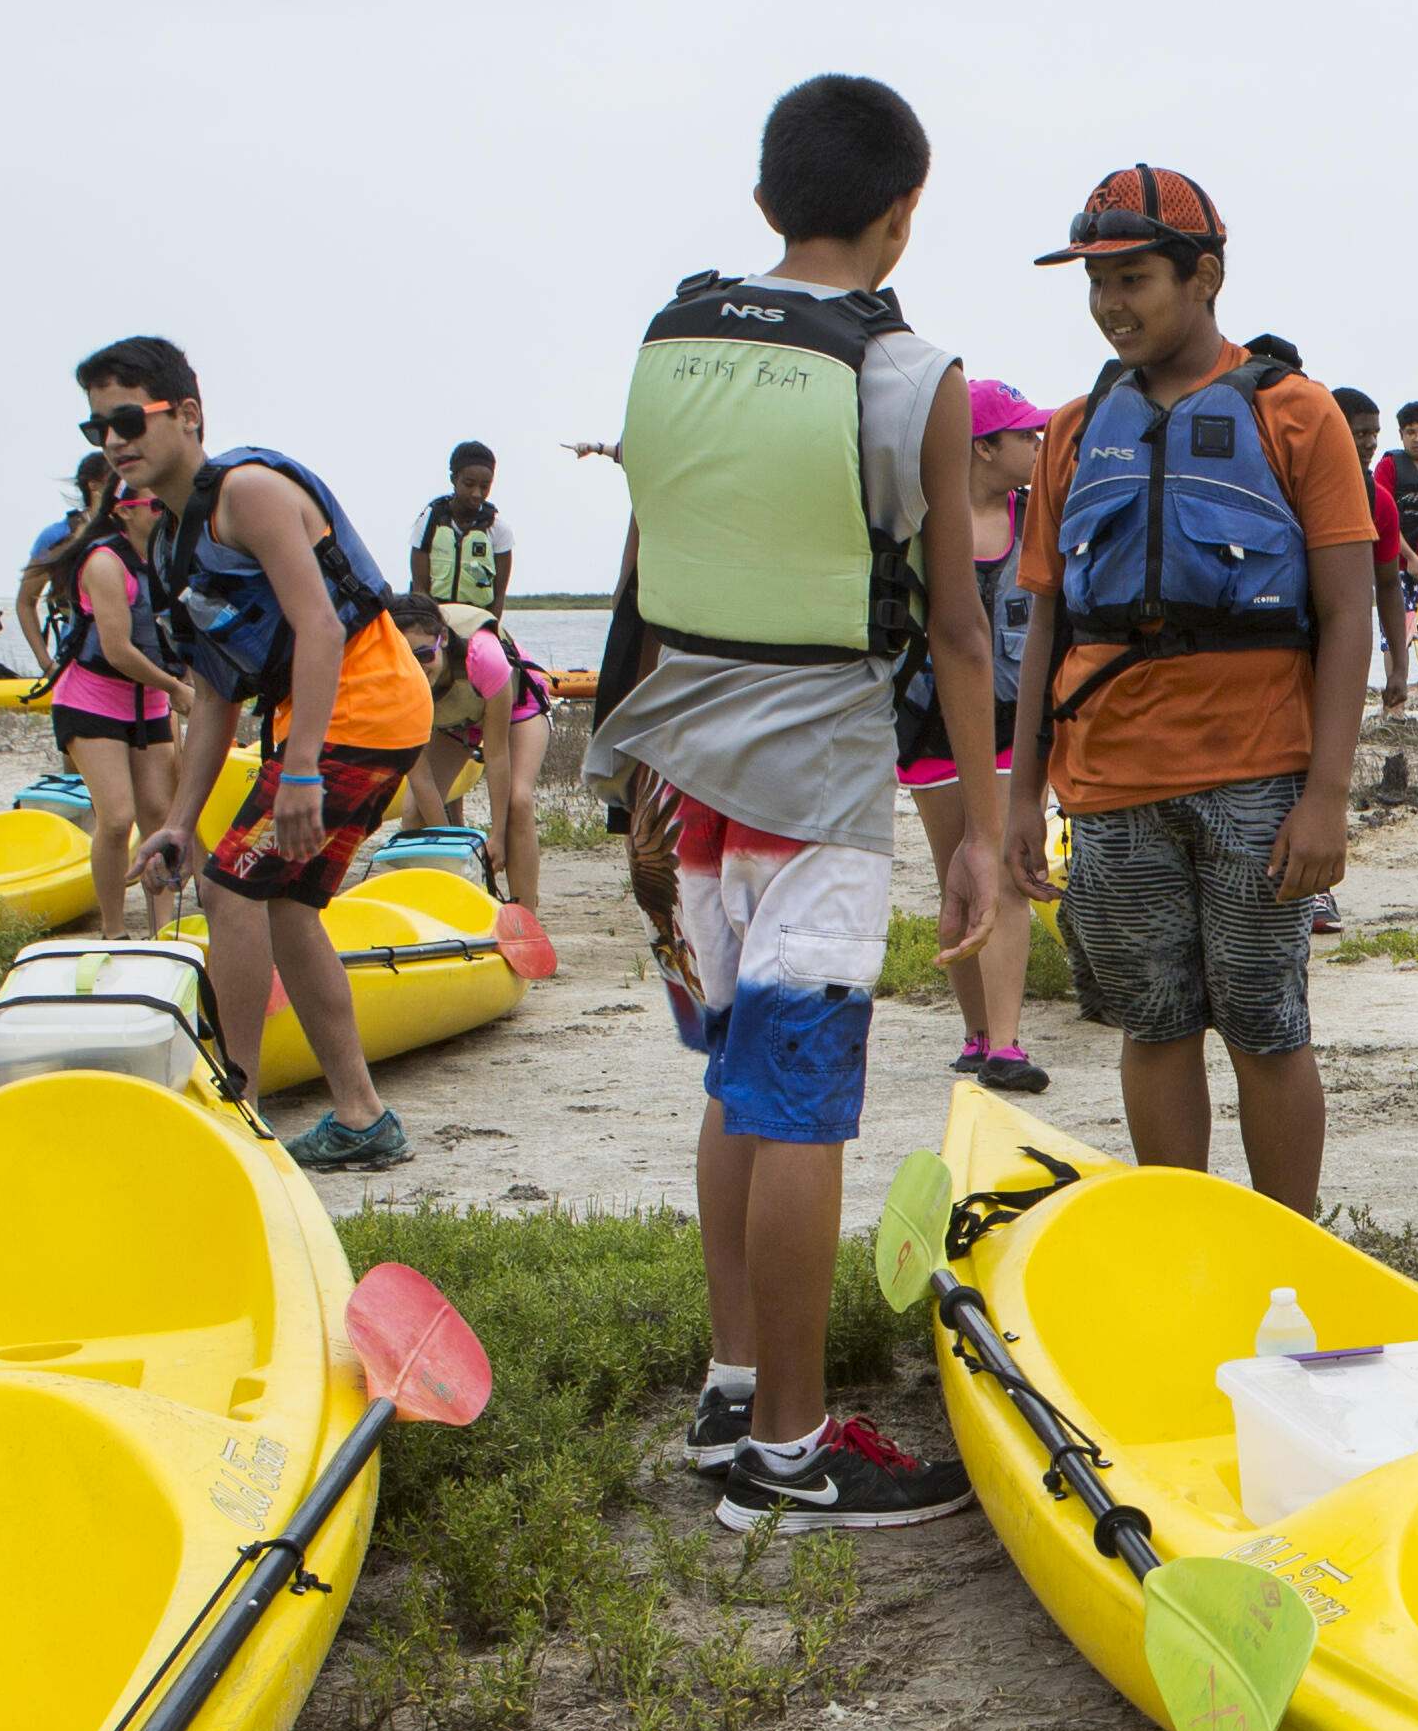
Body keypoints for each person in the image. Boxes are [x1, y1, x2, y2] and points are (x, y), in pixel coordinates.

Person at [595, 74, 1011, 1533]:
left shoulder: (670, 338)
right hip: (822, 781)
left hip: (682, 769)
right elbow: (958, 630)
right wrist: (985, 846)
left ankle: (731, 1388)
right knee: (801, 1105)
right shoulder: (916, 376)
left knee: (735, 1085)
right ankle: (786, 1449)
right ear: (902, 214)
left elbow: (646, 573)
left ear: (771, 200)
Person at [1010, 164, 1372, 1212]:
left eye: (1134, 278)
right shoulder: (1076, 431)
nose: (1111, 305)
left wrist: (1329, 795)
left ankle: (1287, 1245)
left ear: (1204, 275)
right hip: (1111, 781)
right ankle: (1186, 1238)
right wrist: (1019, 793)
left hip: (1259, 784)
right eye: (1096, 283)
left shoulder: (1298, 415)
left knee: (1266, 1024)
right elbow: (1045, 623)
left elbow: (1348, 614)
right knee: (1154, 1023)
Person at [93, 337, 426, 1168]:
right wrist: (174, 820)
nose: (114, 441)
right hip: (330, 717)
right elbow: (214, 694)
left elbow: (318, 623)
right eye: (98, 427)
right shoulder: (172, 541)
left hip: (367, 706)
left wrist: (304, 769)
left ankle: (236, 1104)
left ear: (189, 414)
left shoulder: (247, 492)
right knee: (282, 906)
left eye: (130, 418)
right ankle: (361, 1117)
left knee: (231, 887)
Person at [909, 374, 1054, 1096]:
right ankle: (975, 1035)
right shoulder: (922, 522)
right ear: (983, 445)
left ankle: (1003, 1042)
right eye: (1025, 435)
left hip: (1013, 722)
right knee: (956, 873)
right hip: (928, 725)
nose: (1037, 443)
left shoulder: (1039, 517)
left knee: (1001, 866)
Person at [23, 455, 176, 931]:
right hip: (90, 699)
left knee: (160, 816)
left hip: (149, 701)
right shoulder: (104, 561)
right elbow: (116, 648)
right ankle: (112, 929)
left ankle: (161, 927)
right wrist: (178, 689)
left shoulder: (173, 558)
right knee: (116, 817)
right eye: (154, 505)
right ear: (125, 510)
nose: (163, 511)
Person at [400, 597, 556, 912]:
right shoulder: (394, 678)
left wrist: (496, 838)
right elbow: (421, 777)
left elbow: (497, 756)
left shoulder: (484, 655)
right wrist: (451, 849)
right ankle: (440, 909)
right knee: (414, 812)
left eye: (424, 655)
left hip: (515, 707)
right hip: (454, 722)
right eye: (405, 659)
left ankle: (525, 916)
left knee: (518, 801)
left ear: (442, 641)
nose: (417, 668)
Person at [1369, 398, 1418, 712]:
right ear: (1400, 434)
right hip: (1398, 565)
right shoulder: (1388, 466)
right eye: (1411, 431)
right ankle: (1395, 708)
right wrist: (1411, 557)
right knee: (1396, 634)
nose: (1417, 438)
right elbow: (1384, 513)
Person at [414, 445, 515, 626]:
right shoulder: (428, 522)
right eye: (469, 484)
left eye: (485, 487)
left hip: (478, 622)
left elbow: (499, 596)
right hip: (434, 620)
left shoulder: (499, 530)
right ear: (454, 479)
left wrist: (488, 631)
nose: (477, 493)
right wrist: (432, 629)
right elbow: (419, 588)